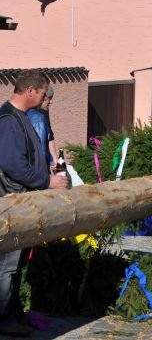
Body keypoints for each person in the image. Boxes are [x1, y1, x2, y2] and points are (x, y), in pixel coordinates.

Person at [0, 69, 68, 337]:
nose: (43, 98)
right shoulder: (8, 120)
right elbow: (12, 164)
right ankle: (3, 321)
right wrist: (47, 181)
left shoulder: (21, 117)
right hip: (11, 203)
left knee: (15, 266)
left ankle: (14, 315)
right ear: (31, 91)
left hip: (20, 201)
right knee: (6, 266)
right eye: (42, 93)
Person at [27, 84, 57, 166]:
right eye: (49, 99)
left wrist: (55, 159)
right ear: (42, 98)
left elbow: (49, 135)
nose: (51, 102)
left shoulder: (44, 111)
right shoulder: (35, 117)